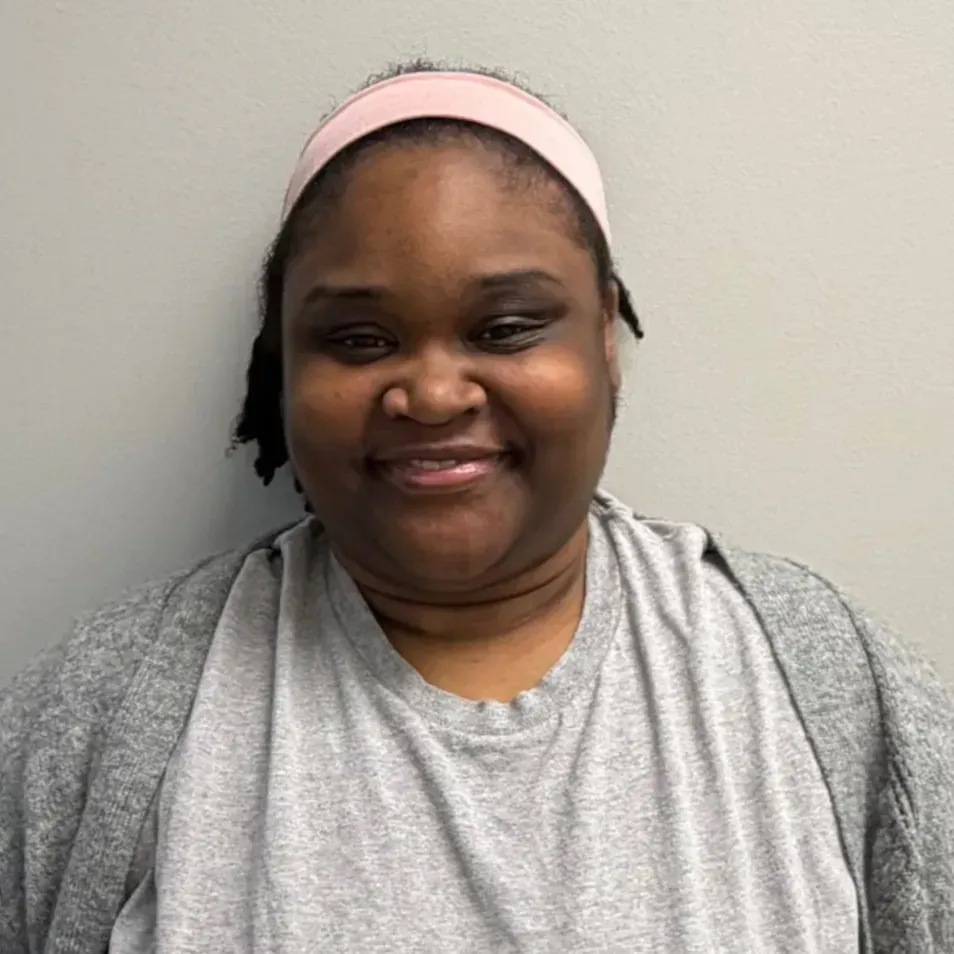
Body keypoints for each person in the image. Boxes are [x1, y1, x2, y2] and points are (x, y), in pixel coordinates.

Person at [1, 60, 952, 954]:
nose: (435, 395)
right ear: (282, 370)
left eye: (505, 327)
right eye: (360, 339)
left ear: (607, 339)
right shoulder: (103, 711)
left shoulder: (822, 678)